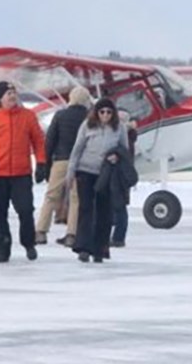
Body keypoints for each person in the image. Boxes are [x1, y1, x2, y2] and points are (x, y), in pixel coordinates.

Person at [0, 81, 48, 263]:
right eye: (8, 94)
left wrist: (41, 163)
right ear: (1, 98)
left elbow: (38, 141)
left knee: (25, 210)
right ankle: (2, 248)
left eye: (14, 93)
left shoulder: (28, 116)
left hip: (21, 173)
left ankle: (29, 243)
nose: (12, 96)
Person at [67, 98, 128, 263]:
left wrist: (118, 156)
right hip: (85, 171)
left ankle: (100, 248)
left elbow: (125, 149)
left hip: (106, 173)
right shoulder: (87, 125)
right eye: (102, 112)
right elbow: (77, 149)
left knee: (104, 211)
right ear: (96, 113)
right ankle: (84, 247)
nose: (105, 115)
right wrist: (71, 172)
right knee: (86, 209)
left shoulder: (119, 128)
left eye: (109, 112)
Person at [36, 86, 91, 246]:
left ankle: (40, 231)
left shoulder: (60, 115)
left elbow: (50, 141)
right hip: (81, 163)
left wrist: (44, 164)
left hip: (61, 160)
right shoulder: (89, 118)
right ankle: (71, 234)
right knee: (76, 199)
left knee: (51, 196)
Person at [111, 110, 138, 248]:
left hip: (118, 176)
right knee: (120, 207)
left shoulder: (122, 138)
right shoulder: (131, 137)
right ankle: (117, 237)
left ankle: (117, 237)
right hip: (124, 177)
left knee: (118, 208)